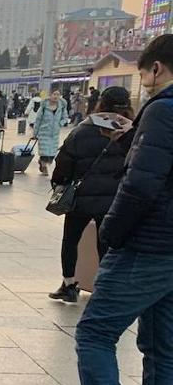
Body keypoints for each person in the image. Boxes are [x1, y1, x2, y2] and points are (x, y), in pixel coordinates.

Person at [73, 36, 173, 385]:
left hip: (149, 242)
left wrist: (111, 231)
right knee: (162, 345)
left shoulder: (164, 110)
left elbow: (140, 184)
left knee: (95, 331)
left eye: (145, 74)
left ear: (156, 69)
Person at [47, 86, 135, 304]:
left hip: (81, 199)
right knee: (106, 244)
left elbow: (63, 164)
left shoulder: (83, 130)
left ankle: (69, 285)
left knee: (71, 240)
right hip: (114, 200)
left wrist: (59, 183)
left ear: (101, 104)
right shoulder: (132, 132)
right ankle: (107, 289)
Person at [31, 89, 69, 175]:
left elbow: (65, 117)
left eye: (58, 95)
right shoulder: (44, 107)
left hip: (55, 134)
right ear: (50, 95)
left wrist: (60, 123)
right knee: (44, 153)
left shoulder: (62, 107)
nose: (56, 96)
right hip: (43, 132)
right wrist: (35, 133)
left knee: (52, 154)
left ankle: (41, 162)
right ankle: (44, 166)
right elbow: (38, 120)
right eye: (54, 94)